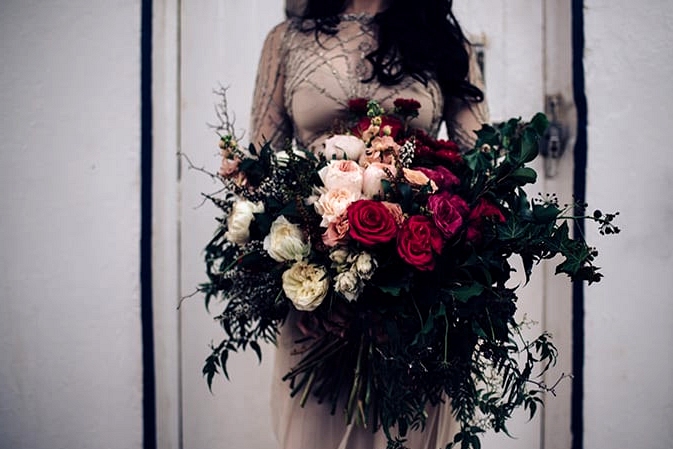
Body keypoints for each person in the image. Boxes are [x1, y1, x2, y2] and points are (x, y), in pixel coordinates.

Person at [249, 1, 488, 448]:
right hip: (316, 313)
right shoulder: (286, 41)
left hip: (416, 312)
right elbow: (259, 172)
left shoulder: (443, 40)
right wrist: (311, 280)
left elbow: (482, 167)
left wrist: (421, 275)